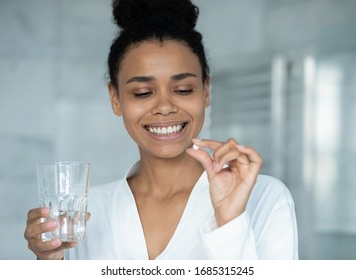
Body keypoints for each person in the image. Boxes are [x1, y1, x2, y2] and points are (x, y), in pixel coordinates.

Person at [24, 0, 298, 260]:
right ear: (115, 98)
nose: (164, 107)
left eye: (183, 90)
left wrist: (229, 222)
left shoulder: (264, 198)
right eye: (143, 93)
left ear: (206, 91)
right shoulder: (83, 214)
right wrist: (49, 261)